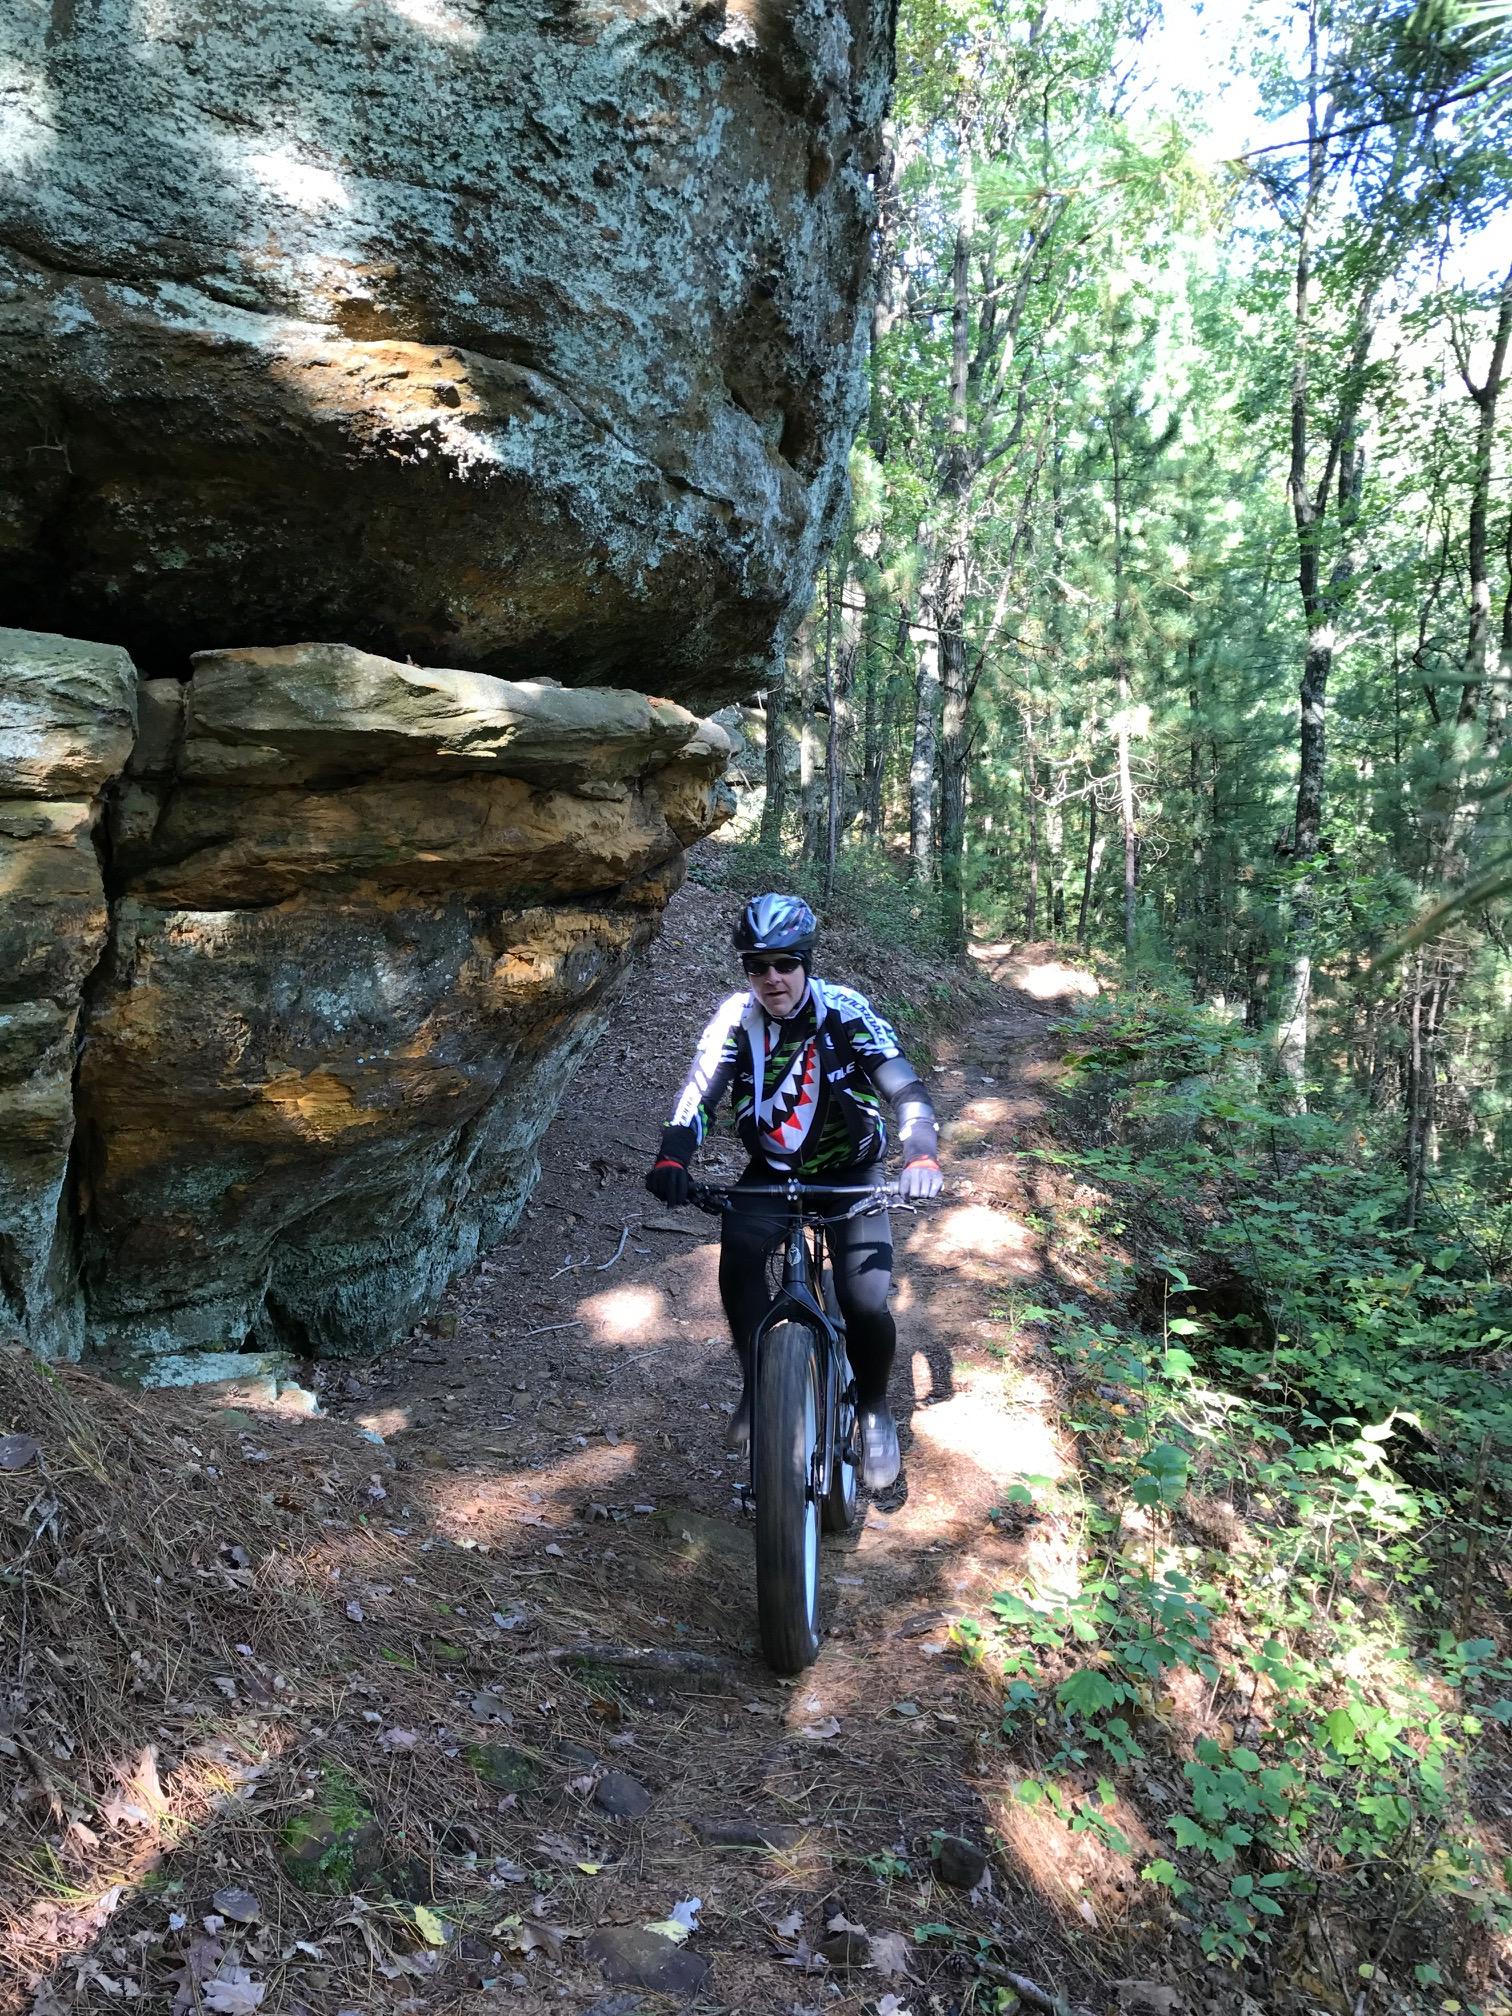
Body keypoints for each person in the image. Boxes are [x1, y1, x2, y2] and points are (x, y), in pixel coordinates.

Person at [645, 892, 943, 1491]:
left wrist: (921, 1153)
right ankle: (761, 1385)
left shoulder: (845, 1011)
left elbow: (904, 1090)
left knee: (863, 1301)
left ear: (805, 962)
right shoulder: (737, 1018)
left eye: (784, 963)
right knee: (740, 1258)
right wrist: (674, 1153)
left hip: (849, 1173)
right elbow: (698, 1093)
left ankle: (875, 1409)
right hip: (773, 1172)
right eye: (757, 966)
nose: (771, 979)